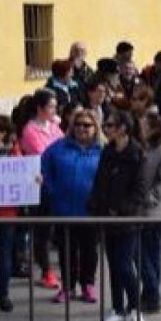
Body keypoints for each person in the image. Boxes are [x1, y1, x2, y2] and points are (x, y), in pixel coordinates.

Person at [89, 110, 147, 321]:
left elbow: (139, 190)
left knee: (124, 264)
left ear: (123, 128)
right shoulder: (107, 153)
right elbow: (99, 182)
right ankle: (117, 309)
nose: (106, 129)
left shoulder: (137, 154)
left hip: (128, 220)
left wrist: (120, 209)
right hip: (106, 218)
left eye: (111, 125)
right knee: (113, 265)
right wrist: (97, 205)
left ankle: (135, 307)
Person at [41, 109, 103, 304]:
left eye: (87, 125)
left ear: (95, 128)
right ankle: (67, 287)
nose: (81, 128)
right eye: (77, 124)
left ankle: (88, 285)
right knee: (66, 250)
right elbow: (43, 168)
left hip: (91, 211)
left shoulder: (103, 150)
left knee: (89, 250)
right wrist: (51, 189)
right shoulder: (58, 148)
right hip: (63, 209)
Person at [20, 89, 64, 289]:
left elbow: (63, 145)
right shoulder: (30, 131)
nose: (55, 109)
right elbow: (42, 154)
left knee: (59, 229)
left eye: (55, 106)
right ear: (40, 108)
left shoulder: (54, 126)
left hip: (57, 181)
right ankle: (46, 271)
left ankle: (63, 270)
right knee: (42, 231)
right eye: (51, 106)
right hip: (39, 184)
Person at [138, 113, 161, 314]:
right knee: (147, 256)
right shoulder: (144, 147)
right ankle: (150, 293)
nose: (140, 128)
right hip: (140, 212)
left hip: (154, 212)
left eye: (144, 125)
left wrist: (150, 198)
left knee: (146, 255)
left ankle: (153, 294)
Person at [0, 115, 22, 312]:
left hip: (6, 212)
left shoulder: (13, 153)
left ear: (1, 133)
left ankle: (3, 295)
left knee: (4, 256)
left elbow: (22, 176)